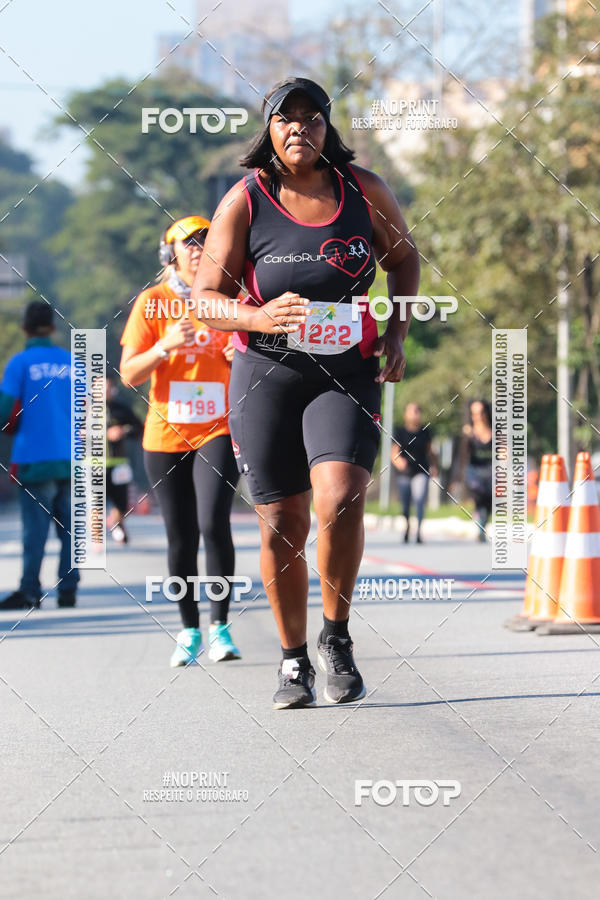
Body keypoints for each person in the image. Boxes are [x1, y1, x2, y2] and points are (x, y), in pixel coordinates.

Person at [192, 77, 420, 708]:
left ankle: (336, 637)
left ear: (327, 127)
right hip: (265, 374)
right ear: (269, 130)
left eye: (311, 117)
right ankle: (293, 660)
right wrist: (258, 316)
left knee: (341, 497)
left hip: (345, 371)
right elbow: (206, 299)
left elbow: (404, 259)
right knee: (281, 521)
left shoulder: (363, 190)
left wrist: (397, 331)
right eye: (285, 119)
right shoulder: (246, 200)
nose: (299, 128)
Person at [119, 216, 241, 665]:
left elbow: (259, 361)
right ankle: (189, 630)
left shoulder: (228, 300)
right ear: (168, 253)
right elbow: (129, 374)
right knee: (181, 536)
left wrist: (240, 354)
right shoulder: (152, 302)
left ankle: (220, 628)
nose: (197, 248)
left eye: (206, 241)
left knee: (213, 523)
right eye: (187, 242)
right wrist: (164, 346)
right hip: (165, 435)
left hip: (218, 429)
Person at [0, 301, 79, 609]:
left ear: (25, 328)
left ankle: (30, 590)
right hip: (71, 459)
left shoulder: (20, 363)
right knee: (70, 529)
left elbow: (4, 411)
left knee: (35, 531)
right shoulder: (72, 362)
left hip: (34, 459)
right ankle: (68, 589)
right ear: (53, 328)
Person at [391, 402, 438, 543]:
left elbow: (431, 451)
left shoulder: (425, 432)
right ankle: (407, 526)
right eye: (411, 411)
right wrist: (399, 462)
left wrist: (435, 466)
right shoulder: (400, 432)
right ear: (405, 414)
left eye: (417, 411)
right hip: (404, 473)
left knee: (419, 500)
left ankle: (418, 532)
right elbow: (394, 453)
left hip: (421, 470)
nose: (414, 414)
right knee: (405, 505)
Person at [105, 372, 143, 544]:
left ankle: (117, 525)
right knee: (95, 504)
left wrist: (123, 431)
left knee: (121, 504)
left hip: (119, 464)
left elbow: (139, 428)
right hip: (93, 466)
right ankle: (94, 538)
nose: (105, 391)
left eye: (108, 387)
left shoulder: (121, 409)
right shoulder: (84, 410)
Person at [459, 399, 493, 541]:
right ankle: (480, 528)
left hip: (490, 471)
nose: (478, 416)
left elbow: (503, 450)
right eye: (475, 413)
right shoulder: (469, 432)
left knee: (489, 501)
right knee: (478, 496)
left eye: (481, 412)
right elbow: (463, 454)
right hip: (474, 471)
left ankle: (482, 526)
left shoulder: (495, 431)